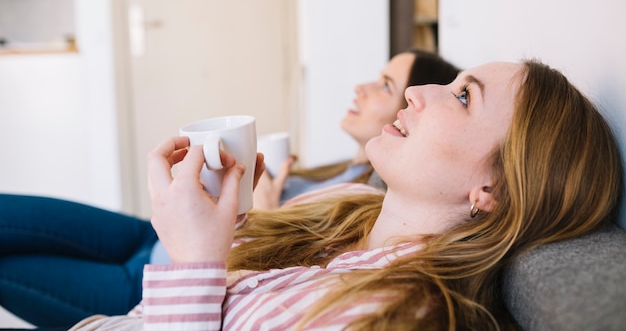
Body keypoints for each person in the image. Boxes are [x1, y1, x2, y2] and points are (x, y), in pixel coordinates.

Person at [68, 59, 622, 330]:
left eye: (461, 98)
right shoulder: (342, 219)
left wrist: (193, 262)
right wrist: (224, 228)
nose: (415, 92)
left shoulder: (400, 313)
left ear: (492, 189)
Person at [0, 51, 458, 328]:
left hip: (148, 286)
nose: (361, 87)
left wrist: (260, 208)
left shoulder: (376, 203)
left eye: (384, 85)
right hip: (154, 239)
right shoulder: (342, 179)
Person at [253, 49, 460, 209]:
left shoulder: (367, 197)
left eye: (386, 86)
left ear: (409, 113)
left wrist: (264, 211)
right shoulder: (342, 171)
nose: (360, 87)